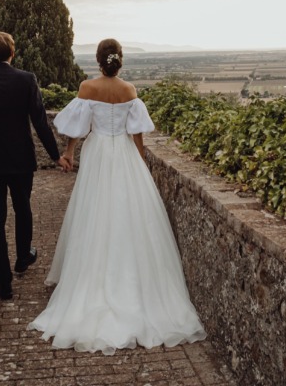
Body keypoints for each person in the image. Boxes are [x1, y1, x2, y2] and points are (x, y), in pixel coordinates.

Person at [28, 38, 206, 353]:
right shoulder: (130, 92)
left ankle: (88, 277)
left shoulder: (87, 88)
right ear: (119, 61)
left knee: (94, 212)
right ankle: (134, 281)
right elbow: (137, 137)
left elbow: (78, 129)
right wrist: (140, 166)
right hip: (124, 153)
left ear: (99, 61)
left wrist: (69, 153)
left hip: (97, 153)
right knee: (129, 213)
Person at [0, 31, 71, 301]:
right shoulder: (26, 80)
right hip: (21, 159)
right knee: (23, 208)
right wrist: (56, 155)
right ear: (13, 52)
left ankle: (4, 282)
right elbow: (40, 122)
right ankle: (23, 257)